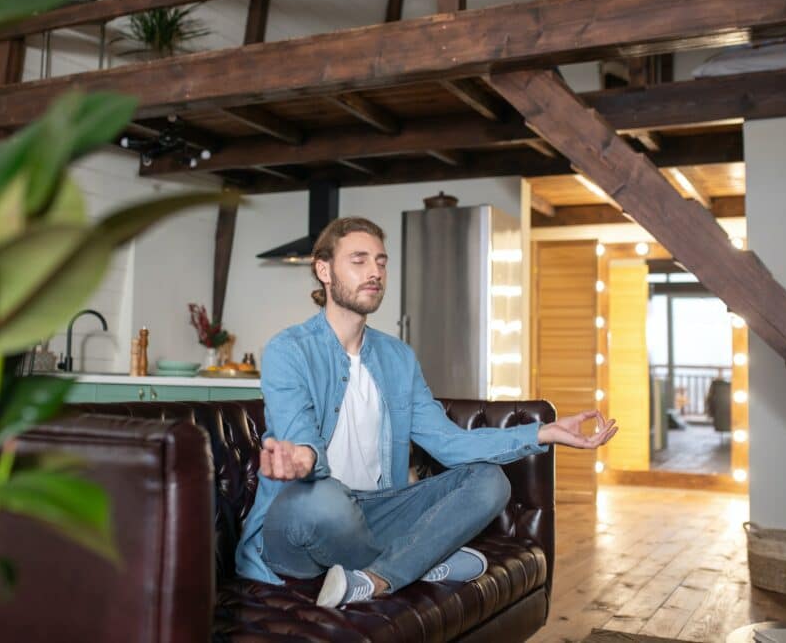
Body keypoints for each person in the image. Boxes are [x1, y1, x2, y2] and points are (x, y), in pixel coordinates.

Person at [235, 216, 617, 608]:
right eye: (359, 260)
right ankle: (418, 561)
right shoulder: (289, 349)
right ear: (324, 270)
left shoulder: (397, 357)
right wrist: (302, 458)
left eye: (381, 262)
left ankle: (378, 577)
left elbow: (449, 443)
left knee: (490, 481)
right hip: (303, 519)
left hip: (377, 510)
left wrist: (543, 432)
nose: (375, 272)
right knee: (322, 499)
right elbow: (300, 433)